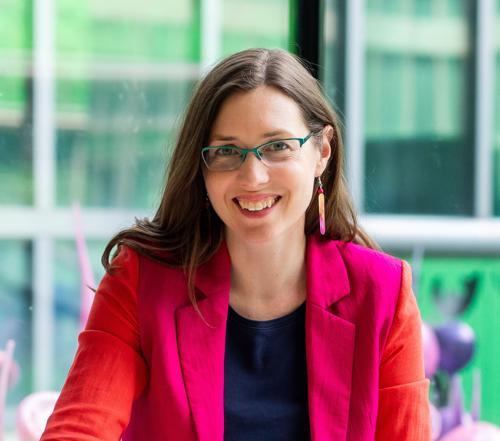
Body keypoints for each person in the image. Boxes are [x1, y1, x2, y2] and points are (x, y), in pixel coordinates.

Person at [41, 48, 431, 441]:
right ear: (202, 166)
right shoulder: (141, 281)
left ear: (322, 152)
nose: (253, 177)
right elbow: (78, 429)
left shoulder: (382, 292)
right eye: (227, 151)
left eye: (277, 146)